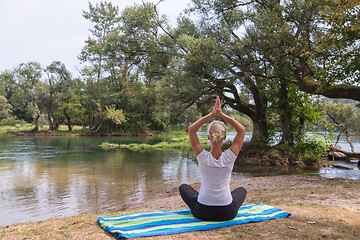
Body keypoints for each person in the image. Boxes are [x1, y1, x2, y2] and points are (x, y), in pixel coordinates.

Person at [179, 96, 247, 221]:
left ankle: (206, 199)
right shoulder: (230, 156)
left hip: (203, 212)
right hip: (227, 213)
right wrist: (221, 114)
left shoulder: (202, 156)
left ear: (208, 137)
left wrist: (212, 114)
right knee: (242, 190)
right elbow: (242, 130)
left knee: (183, 187)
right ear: (225, 137)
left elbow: (191, 130)